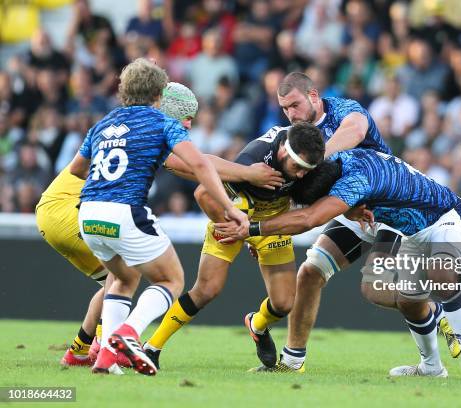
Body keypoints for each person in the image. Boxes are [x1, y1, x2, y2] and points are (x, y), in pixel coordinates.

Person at [36, 81, 282, 368]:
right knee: (135, 277)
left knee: (114, 280)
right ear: (167, 108)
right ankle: (109, 346)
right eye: (186, 114)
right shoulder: (152, 128)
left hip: (55, 211)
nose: (189, 123)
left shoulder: (120, 122)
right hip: (72, 208)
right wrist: (248, 174)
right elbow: (195, 165)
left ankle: (81, 351)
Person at [215, 148, 461, 381]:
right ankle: (295, 360)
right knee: (319, 274)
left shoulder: (352, 175)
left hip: (443, 217)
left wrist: (251, 230)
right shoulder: (336, 161)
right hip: (380, 214)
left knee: (433, 278)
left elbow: (310, 218)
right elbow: (310, 207)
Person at [268, 72, 461, 372]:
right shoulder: (293, 137)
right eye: (284, 109)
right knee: (309, 273)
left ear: (314, 97)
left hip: (388, 210)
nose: (291, 114)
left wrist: (319, 157)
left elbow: (355, 132)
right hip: (351, 210)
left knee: (375, 289)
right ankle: (292, 362)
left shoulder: (345, 110)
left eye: (294, 105)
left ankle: (431, 311)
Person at [69, 58, 249, 376]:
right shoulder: (161, 122)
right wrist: (231, 208)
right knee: (171, 279)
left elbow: (76, 169)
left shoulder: (103, 123)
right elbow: (200, 165)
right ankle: (129, 333)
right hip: (124, 211)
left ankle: (106, 359)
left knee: (124, 279)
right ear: (159, 94)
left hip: (88, 214)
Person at [142, 122, 325, 370]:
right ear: (284, 151)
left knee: (283, 303)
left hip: (273, 224)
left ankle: (257, 325)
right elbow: (202, 195)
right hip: (231, 218)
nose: (303, 174)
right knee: (207, 289)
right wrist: (232, 227)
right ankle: (151, 348)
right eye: (298, 168)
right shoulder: (253, 159)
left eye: (308, 169)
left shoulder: (309, 161)